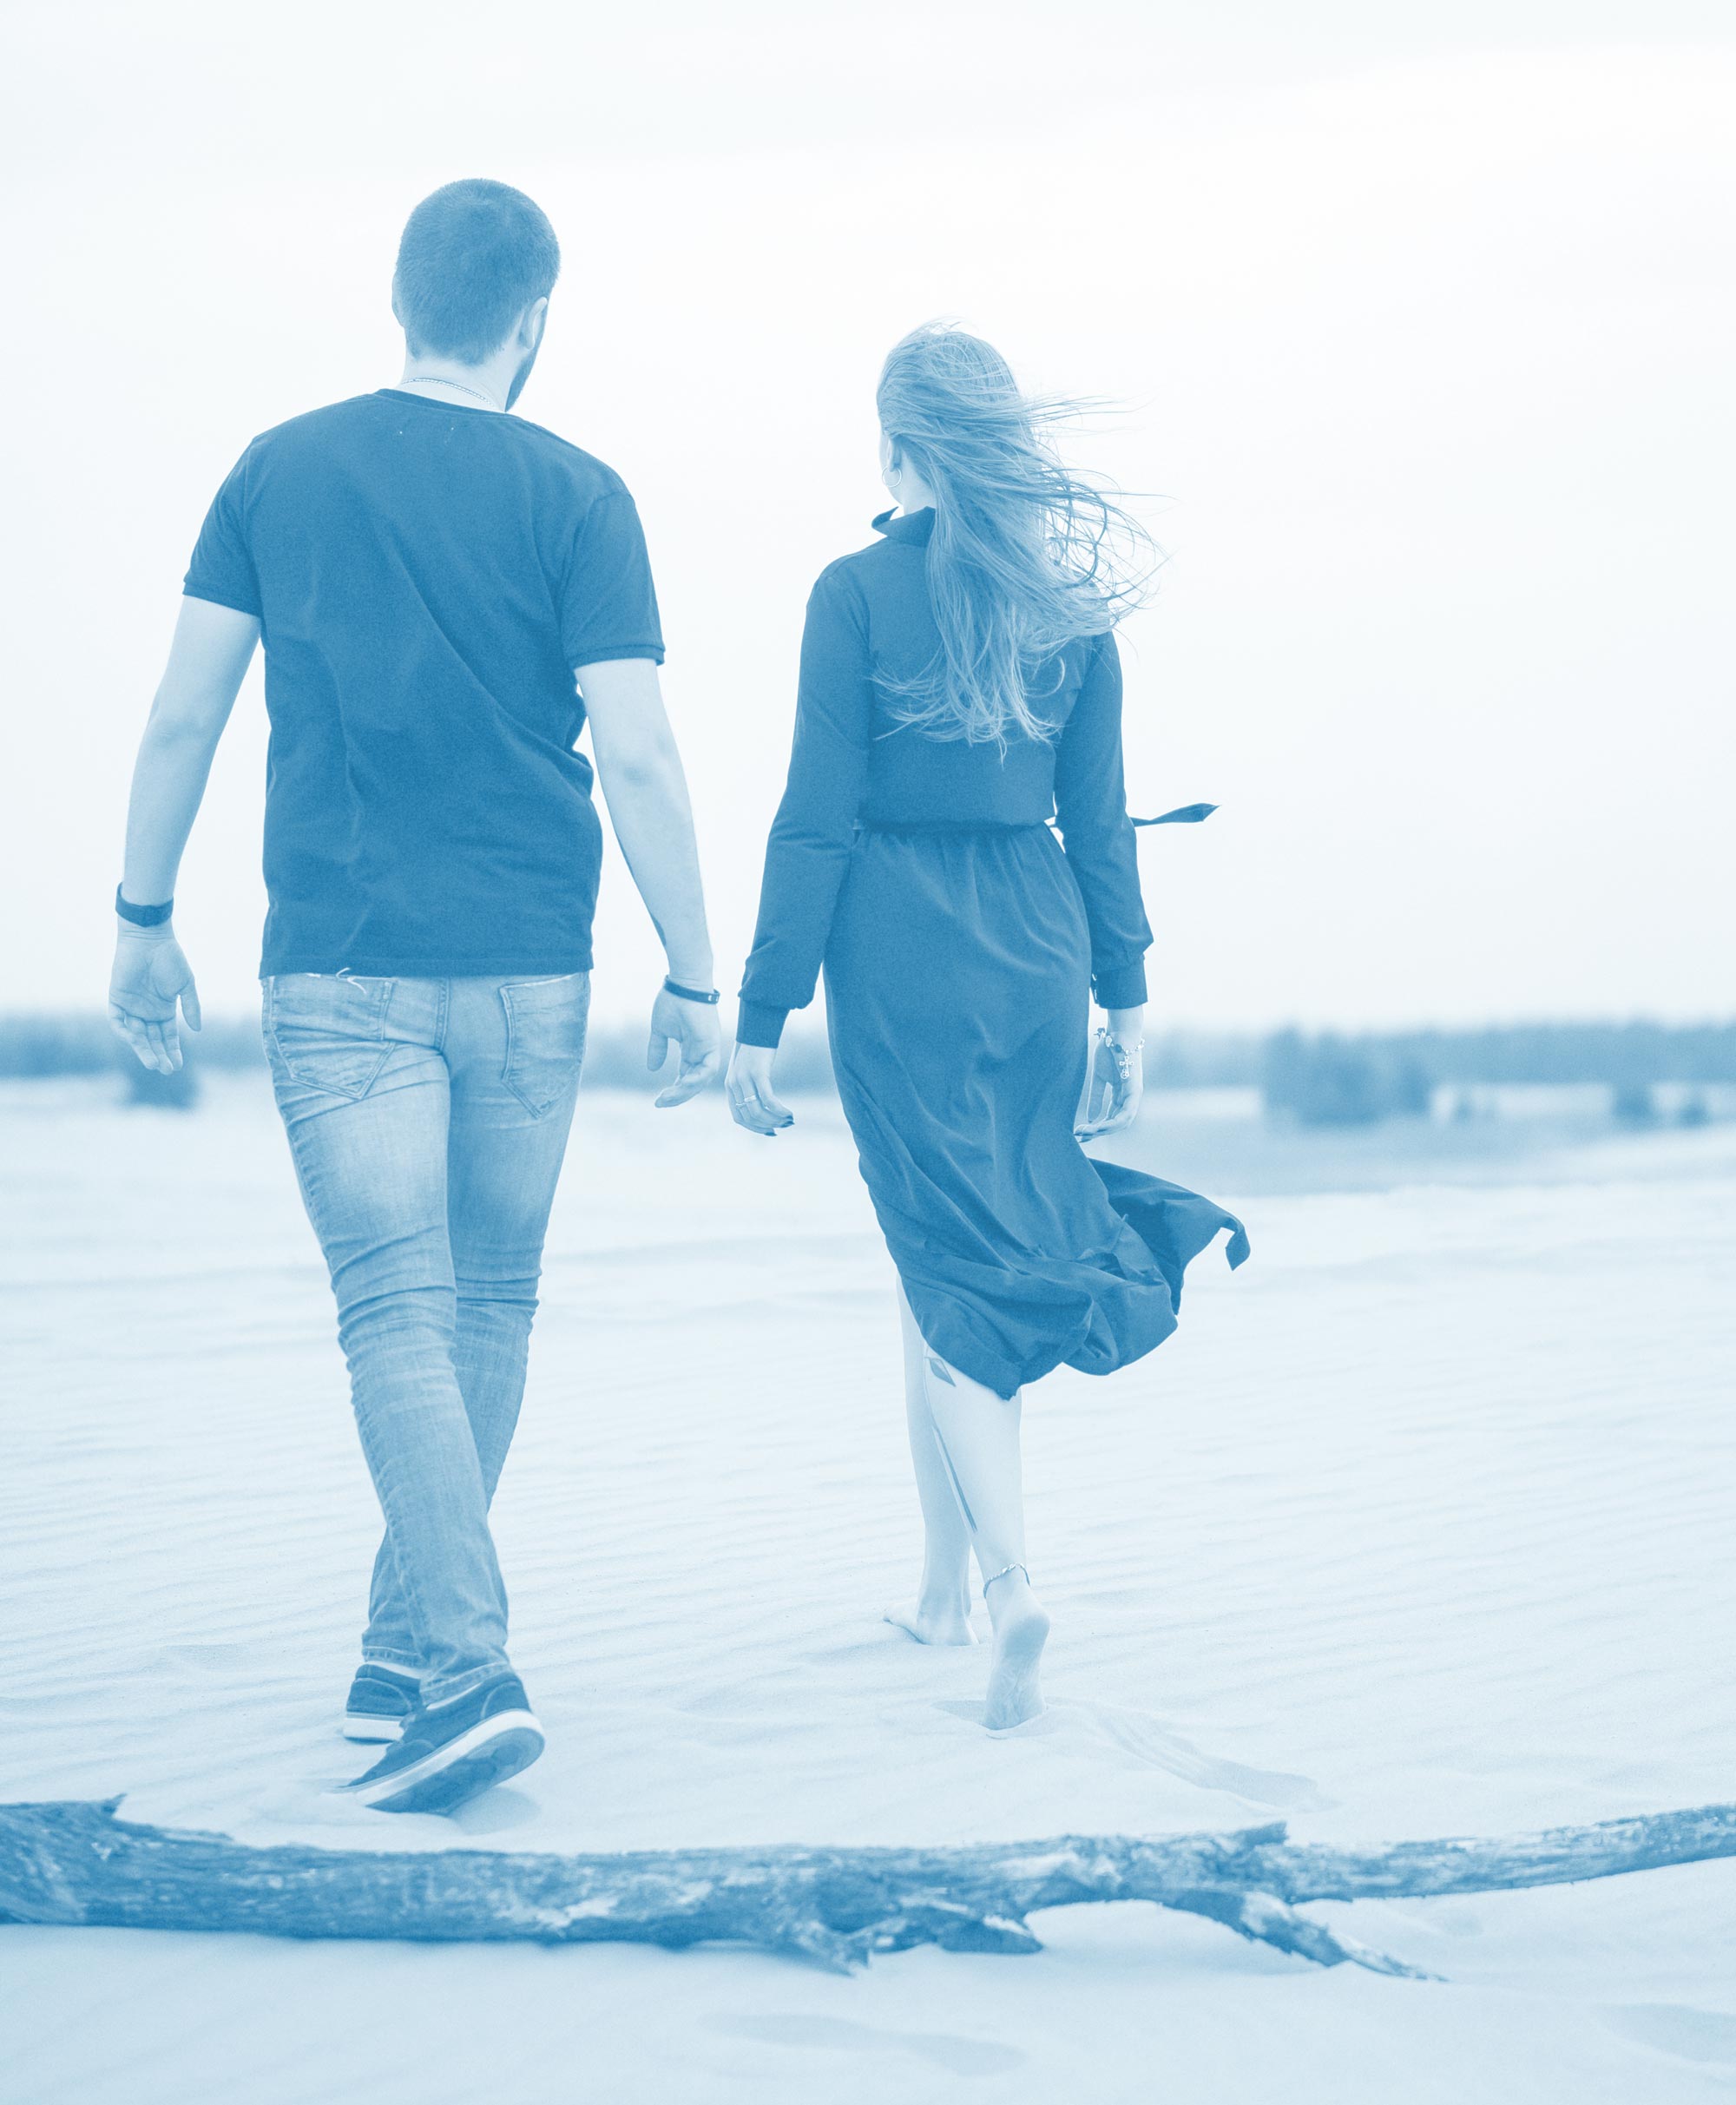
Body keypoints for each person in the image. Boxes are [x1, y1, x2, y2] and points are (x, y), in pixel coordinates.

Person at [108, 180, 721, 1813]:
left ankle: (464, 1664)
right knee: (488, 1306)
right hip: (533, 969)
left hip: (346, 967)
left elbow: (183, 718)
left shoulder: (276, 468)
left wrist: (142, 914)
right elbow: (642, 747)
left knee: (398, 1308)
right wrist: (697, 966)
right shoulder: (586, 494)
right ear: (534, 321)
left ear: (401, 302)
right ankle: (404, 1649)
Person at [727, 325, 1247, 1731]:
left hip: (896, 953)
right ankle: (942, 1587)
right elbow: (1099, 827)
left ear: (898, 447)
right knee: (938, 1252)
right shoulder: (1072, 621)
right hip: (1036, 953)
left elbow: (815, 819)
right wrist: (1127, 1003)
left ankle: (1013, 1584)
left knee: (945, 1260)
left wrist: (762, 1011)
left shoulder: (849, 594)